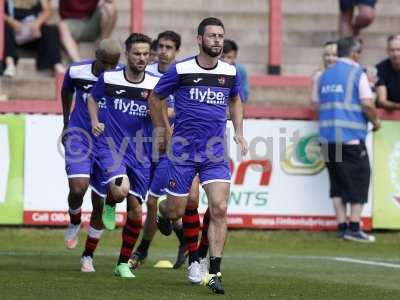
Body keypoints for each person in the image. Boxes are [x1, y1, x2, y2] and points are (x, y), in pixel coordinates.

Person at [149, 17, 248, 294]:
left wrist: (239, 130)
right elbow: (155, 99)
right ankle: (164, 215)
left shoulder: (230, 72)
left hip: (214, 152)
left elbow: (236, 99)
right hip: (182, 151)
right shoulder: (181, 70)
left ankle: (213, 269)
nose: (217, 40)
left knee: (219, 208)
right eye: (212, 36)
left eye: (220, 36)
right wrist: (163, 130)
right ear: (200, 39)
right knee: (177, 210)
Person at [88, 32, 158, 278]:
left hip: (141, 153)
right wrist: (95, 121)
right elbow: (92, 99)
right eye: (137, 53)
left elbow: (169, 110)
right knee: (120, 189)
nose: (141, 58)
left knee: (137, 213)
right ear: (126, 54)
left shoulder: (154, 84)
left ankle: (122, 263)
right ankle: (110, 199)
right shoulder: (109, 78)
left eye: (146, 54)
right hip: (111, 146)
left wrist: (160, 113)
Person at [129, 30, 188, 270]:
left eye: (169, 47)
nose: (163, 51)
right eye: (160, 47)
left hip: (167, 148)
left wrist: (160, 110)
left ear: (176, 52)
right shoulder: (147, 73)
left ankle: (141, 251)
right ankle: (185, 241)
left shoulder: (181, 75)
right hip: (141, 145)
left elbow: (179, 109)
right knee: (145, 202)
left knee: (155, 203)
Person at [61, 39, 121, 273]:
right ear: (96, 56)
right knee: (78, 187)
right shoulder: (77, 70)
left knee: (100, 203)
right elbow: (65, 91)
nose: (109, 69)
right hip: (79, 136)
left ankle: (88, 256)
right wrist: (66, 122)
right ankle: (75, 220)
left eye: (113, 64)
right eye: (105, 63)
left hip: (108, 143)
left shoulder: (121, 77)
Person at [316, 37, 380, 242]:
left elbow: (317, 103)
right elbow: (367, 104)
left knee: (337, 183)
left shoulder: (324, 75)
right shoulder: (356, 73)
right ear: (354, 53)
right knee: (360, 178)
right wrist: (376, 122)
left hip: (326, 138)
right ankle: (354, 227)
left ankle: (342, 225)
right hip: (349, 138)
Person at [3, 0, 64, 77]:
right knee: (4, 28)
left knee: (51, 30)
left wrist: (37, 23)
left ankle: (57, 65)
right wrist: (12, 22)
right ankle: (10, 64)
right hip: (12, 30)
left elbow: (47, 11)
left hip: (32, 31)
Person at [375, 35, 400, 110]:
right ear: (387, 51)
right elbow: (382, 101)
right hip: (387, 112)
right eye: (392, 50)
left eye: (399, 50)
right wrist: (397, 106)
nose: (395, 54)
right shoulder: (380, 68)